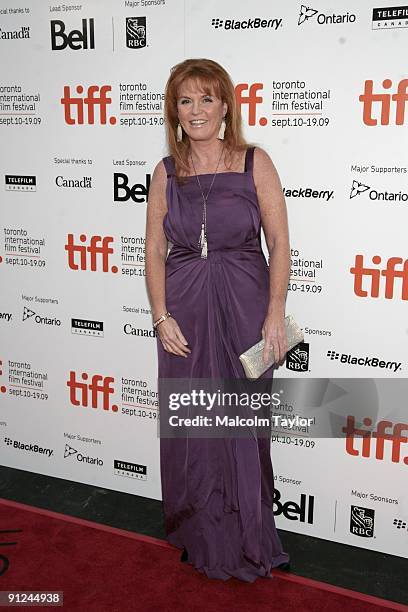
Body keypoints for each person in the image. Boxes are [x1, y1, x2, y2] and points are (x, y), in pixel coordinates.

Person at [145, 58, 291, 582]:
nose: (197, 109)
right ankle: (200, 531)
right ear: (174, 112)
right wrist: (161, 317)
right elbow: (154, 248)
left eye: (207, 98)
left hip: (247, 306)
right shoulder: (165, 172)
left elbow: (278, 242)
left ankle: (248, 537)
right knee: (195, 429)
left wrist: (275, 313)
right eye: (186, 100)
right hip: (184, 312)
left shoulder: (256, 162)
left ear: (226, 105)